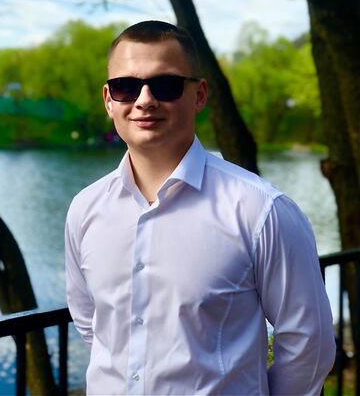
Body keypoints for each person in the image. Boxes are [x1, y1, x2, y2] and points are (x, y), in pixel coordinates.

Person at [65, 20, 335, 396]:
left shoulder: (261, 210)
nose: (145, 100)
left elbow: (309, 345)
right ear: (109, 99)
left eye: (166, 85)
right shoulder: (85, 210)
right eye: (127, 86)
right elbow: (92, 324)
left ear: (200, 95)